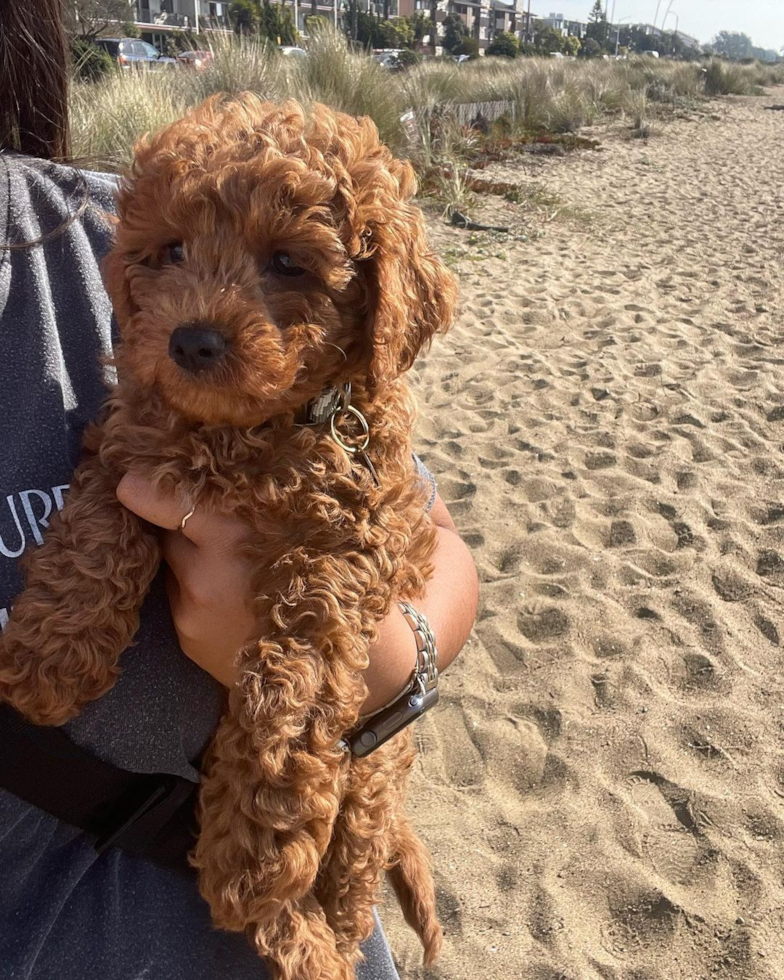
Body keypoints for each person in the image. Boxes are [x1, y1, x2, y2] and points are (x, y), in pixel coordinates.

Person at [0, 2, 479, 979]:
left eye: (287, 266)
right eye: (168, 260)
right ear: (133, 271)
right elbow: (114, 477)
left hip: (286, 838)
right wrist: (81, 596)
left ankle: (327, 916)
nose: (196, 314)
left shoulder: (338, 416)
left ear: (378, 308)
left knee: (355, 807)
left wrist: (391, 660)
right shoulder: (140, 367)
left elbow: (437, 556)